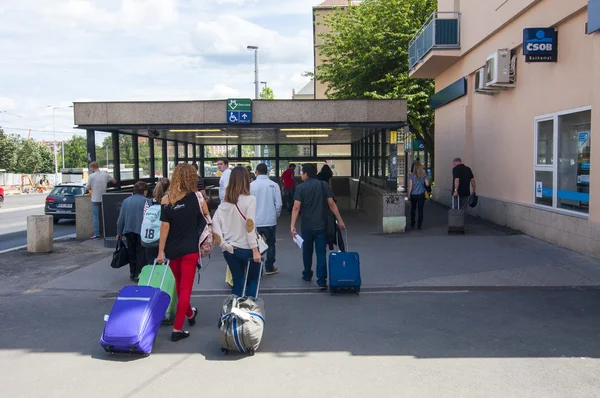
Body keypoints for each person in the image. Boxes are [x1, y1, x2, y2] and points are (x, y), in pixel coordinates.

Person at [157, 164, 209, 342]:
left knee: (180, 285)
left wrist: (161, 252)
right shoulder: (197, 197)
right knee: (185, 288)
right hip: (190, 248)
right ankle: (177, 329)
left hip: (172, 249)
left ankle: (189, 313)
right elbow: (207, 218)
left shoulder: (166, 200)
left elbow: (164, 227)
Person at [291, 164, 345, 290]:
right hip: (322, 225)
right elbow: (331, 204)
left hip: (307, 226)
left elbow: (296, 207)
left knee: (307, 252)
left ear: (305, 174)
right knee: (321, 253)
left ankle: (307, 275)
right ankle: (321, 281)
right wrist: (340, 221)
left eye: (302, 173)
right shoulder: (323, 185)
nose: (301, 175)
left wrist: (292, 225)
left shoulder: (300, 188)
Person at [212, 167, 262, 298]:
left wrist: (224, 245)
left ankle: (235, 311)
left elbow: (215, 225)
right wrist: (255, 250)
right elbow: (249, 226)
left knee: (237, 280)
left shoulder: (224, 204)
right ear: (246, 180)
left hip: (230, 249)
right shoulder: (250, 199)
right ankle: (248, 310)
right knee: (253, 279)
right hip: (247, 248)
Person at [250, 163, 282, 275]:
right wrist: (275, 215)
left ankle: (256, 268)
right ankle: (269, 267)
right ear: (267, 172)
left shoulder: (251, 185)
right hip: (270, 220)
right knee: (271, 243)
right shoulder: (274, 185)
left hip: (255, 221)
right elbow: (279, 204)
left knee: (255, 245)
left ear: (256, 172)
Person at [116, 181, 151, 281]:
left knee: (131, 251)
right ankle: (139, 273)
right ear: (144, 191)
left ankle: (132, 272)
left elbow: (121, 218)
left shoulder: (126, 201)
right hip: (141, 231)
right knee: (141, 253)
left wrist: (119, 232)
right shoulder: (147, 201)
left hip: (129, 230)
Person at [87, 161, 116, 239]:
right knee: (105, 216)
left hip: (95, 198)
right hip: (104, 197)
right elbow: (114, 181)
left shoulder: (91, 176)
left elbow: (88, 188)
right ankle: (107, 232)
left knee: (96, 217)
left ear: (92, 168)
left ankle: (97, 234)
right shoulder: (105, 175)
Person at [143, 178, 170, 262]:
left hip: (150, 240)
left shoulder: (149, 202)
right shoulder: (168, 203)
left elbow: (144, 218)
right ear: (167, 190)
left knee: (152, 266)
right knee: (166, 268)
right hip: (165, 240)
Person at [407, 162, 430, 230]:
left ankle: (412, 223)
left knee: (413, 209)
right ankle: (419, 225)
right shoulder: (424, 175)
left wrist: (408, 195)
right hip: (421, 194)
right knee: (420, 210)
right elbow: (427, 184)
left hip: (413, 195)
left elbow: (410, 186)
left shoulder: (412, 176)